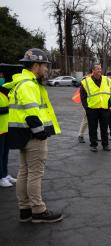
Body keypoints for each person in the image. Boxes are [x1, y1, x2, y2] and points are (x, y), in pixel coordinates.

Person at [4, 48, 62, 223]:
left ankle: (25, 209)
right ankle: (38, 210)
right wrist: (40, 133)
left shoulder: (20, 82)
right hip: (32, 136)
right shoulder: (29, 84)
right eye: (45, 65)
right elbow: (31, 112)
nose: (46, 69)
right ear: (36, 65)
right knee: (35, 173)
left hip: (21, 135)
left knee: (24, 172)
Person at [80, 64, 111, 152]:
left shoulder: (108, 80)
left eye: (100, 69)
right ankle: (93, 145)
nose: (99, 70)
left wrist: (110, 106)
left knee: (104, 128)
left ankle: (105, 145)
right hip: (92, 109)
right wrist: (86, 108)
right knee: (92, 128)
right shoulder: (85, 81)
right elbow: (83, 96)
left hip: (105, 108)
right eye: (97, 69)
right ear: (93, 70)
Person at [0, 74, 16, 187]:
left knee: (5, 154)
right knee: (0, 154)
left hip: (5, 128)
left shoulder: (5, 93)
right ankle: (1, 177)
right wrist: (8, 108)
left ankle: (5, 174)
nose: (2, 79)